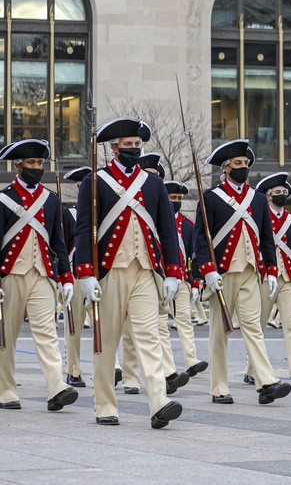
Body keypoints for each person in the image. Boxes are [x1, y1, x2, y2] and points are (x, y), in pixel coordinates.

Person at [74, 118, 184, 428]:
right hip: (109, 272)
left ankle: (159, 401)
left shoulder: (153, 184)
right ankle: (105, 405)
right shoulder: (95, 182)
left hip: (145, 270)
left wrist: (173, 271)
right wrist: (85, 273)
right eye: (128, 146)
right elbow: (85, 230)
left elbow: (167, 230)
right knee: (106, 342)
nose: (134, 150)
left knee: (149, 337)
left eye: (137, 145)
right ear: (114, 148)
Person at [193, 139, 291, 406]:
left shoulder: (258, 199)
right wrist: (208, 271)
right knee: (219, 332)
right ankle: (219, 387)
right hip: (222, 274)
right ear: (225, 168)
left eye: (246, 163)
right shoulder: (211, 198)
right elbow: (201, 238)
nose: (243, 167)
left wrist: (271, 270)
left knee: (253, 328)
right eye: (238, 164)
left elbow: (266, 239)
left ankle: (266, 382)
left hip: (250, 271)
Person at [0, 139, 78, 413]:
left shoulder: (51, 199)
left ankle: (56, 385)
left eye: (40, 163)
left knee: (47, 332)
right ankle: (6, 388)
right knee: (6, 336)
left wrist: (66, 277)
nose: (36, 167)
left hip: (43, 274)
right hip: (10, 274)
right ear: (18, 166)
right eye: (31, 163)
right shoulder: (4, 199)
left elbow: (59, 243)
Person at [121, 153, 190, 396]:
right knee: (130, 331)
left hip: (155, 270)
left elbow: (168, 238)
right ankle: (130, 376)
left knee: (156, 326)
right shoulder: (129, 197)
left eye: (154, 177)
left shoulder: (157, 198)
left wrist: (171, 272)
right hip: (127, 266)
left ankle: (168, 372)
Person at [251, 172, 291, 387]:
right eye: (277, 193)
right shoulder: (259, 218)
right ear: (268, 196)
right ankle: (252, 369)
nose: (282, 195)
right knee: (259, 326)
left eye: (284, 192)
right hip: (266, 278)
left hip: (288, 279)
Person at [164, 180, 208, 378]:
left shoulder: (188, 226)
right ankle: (166, 367)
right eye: (172, 198)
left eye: (178, 198)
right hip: (158, 280)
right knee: (157, 324)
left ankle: (191, 360)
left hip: (182, 280)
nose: (176, 201)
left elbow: (195, 256)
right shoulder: (154, 222)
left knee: (184, 321)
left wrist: (196, 283)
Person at [61, 166, 91, 388]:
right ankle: (73, 369)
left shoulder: (106, 213)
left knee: (108, 326)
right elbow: (60, 248)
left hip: (102, 275)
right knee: (74, 326)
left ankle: (115, 368)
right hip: (76, 274)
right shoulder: (68, 215)